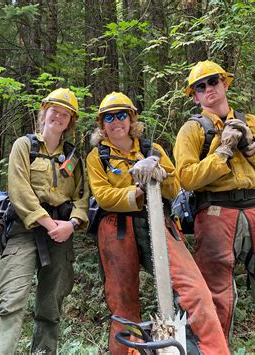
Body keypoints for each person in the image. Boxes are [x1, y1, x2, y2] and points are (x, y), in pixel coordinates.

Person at [86, 92, 229, 354]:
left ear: (131, 119)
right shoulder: (97, 157)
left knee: (195, 291)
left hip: (158, 221)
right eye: (109, 117)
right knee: (122, 302)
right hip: (116, 227)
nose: (115, 121)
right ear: (102, 124)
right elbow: (103, 196)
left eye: (121, 115)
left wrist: (159, 174)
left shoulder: (153, 149)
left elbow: (176, 188)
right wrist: (137, 191)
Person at [174, 60, 255, 354]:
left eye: (213, 81)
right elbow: (187, 178)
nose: (208, 89)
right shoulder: (192, 130)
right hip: (216, 211)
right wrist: (223, 152)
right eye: (201, 87)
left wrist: (252, 148)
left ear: (225, 84)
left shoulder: (254, 123)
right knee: (214, 295)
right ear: (195, 96)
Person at [0, 88, 89, 354]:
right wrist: (48, 223)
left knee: (51, 306)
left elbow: (82, 197)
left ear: (70, 121)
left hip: (61, 235)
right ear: (45, 111)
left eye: (66, 114)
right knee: (11, 301)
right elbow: (19, 190)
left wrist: (71, 225)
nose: (59, 117)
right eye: (55, 110)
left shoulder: (74, 157)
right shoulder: (24, 146)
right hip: (25, 232)